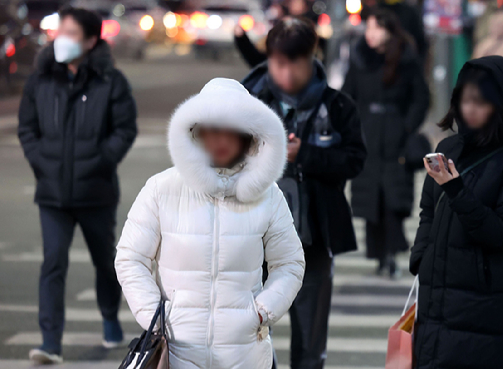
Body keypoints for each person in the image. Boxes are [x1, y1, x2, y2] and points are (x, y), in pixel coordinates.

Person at [115, 78, 306, 369]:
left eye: (232, 131)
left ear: (248, 137)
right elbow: (130, 258)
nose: (221, 140)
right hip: (178, 349)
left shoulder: (268, 195)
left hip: (245, 353)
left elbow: (290, 263)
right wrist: (156, 316)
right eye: (213, 130)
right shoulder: (162, 188)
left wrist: (261, 312)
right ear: (196, 132)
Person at [242, 17, 366, 369]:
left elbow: (355, 160)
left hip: (313, 237)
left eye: (296, 62)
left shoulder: (338, 106)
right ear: (270, 59)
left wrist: (305, 155)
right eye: (280, 63)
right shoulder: (248, 102)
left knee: (310, 341)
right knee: (247, 332)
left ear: (312, 58)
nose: (288, 73)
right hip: (253, 237)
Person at [18, 6, 137, 364]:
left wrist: (101, 161)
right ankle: (50, 341)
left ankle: (108, 315)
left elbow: (124, 130)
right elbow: (28, 128)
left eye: (71, 33)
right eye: (60, 31)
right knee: (53, 262)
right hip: (52, 193)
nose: (62, 39)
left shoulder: (110, 81)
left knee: (105, 261)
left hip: (95, 191)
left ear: (89, 41)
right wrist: (41, 161)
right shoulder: (41, 79)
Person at [410, 56, 503, 369]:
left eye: (480, 101)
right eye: (465, 99)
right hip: (435, 306)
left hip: (486, 312)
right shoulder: (450, 147)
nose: (468, 108)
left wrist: (457, 191)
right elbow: (429, 210)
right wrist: (421, 257)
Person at [342, 8, 429, 277]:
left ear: (390, 31)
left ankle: (392, 253)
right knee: (371, 201)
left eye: (376, 28)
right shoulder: (359, 58)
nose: (370, 34)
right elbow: (348, 95)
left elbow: (421, 98)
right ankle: (379, 254)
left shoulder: (406, 59)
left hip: (394, 136)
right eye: (368, 28)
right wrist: (353, 125)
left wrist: (406, 125)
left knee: (393, 198)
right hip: (367, 135)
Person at [378, 0, 428, 65]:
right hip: (381, 63)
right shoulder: (377, 11)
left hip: (406, 63)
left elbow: (421, 42)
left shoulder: (410, 12)